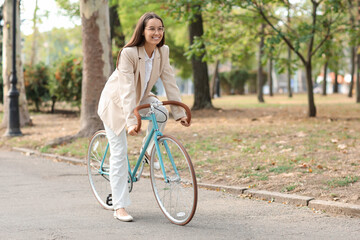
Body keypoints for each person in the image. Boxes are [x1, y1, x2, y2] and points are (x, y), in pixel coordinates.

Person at [97, 12, 190, 222]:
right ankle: (119, 207)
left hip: (139, 98)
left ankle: (148, 153)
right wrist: (132, 121)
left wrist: (179, 113)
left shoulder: (162, 51)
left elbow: (170, 81)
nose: (157, 33)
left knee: (161, 112)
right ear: (142, 31)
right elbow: (127, 90)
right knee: (119, 153)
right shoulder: (128, 53)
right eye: (152, 29)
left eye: (160, 29)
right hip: (116, 103)